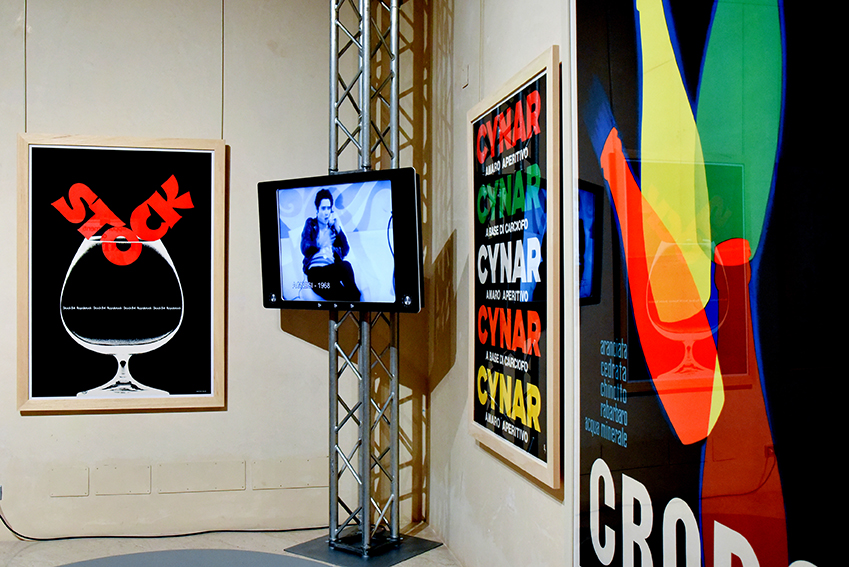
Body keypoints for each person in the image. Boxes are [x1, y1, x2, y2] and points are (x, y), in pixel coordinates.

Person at [300, 188, 361, 301]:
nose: (326, 212)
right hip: (316, 275)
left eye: (329, 208)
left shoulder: (333, 229)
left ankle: (358, 302)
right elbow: (304, 247)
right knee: (346, 267)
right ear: (317, 209)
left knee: (347, 297)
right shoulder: (311, 224)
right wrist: (319, 243)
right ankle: (358, 299)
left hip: (331, 274)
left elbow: (345, 250)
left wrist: (338, 229)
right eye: (323, 208)